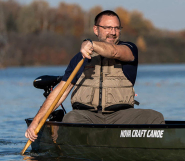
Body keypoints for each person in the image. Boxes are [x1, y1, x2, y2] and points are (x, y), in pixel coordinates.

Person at [25, 10, 164, 142]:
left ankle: (150, 150)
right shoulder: (79, 59)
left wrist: (89, 43)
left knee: (154, 117)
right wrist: (35, 122)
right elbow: (60, 92)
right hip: (86, 116)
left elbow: (114, 52)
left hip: (120, 116)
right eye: (108, 28)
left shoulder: (129, 49)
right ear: (96, 30)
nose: (113, 32)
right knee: (71, 119)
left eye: (116, 28)